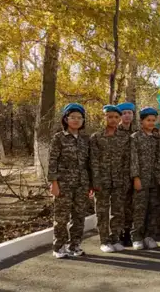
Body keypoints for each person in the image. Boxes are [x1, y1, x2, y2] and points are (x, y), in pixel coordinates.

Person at [48, 103, 92, 259]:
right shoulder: (58, 138)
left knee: (79, 216)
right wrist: (53, 183)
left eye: (79, 117)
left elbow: (89, 163)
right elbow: (52, 161)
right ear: (66, 119)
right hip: (63, 184)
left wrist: (91, 184)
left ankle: (74, 245)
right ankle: (59, 247)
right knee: (61, 217)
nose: (76, 120)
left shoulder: (85, 139)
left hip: (82, 184)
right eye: (72, 117)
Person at [90, 105, 130, 253]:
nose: (113, 120)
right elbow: (93, 161)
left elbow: (127, 160)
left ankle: (115, 238)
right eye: (110, 116)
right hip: (102, 180)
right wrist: (95, 181)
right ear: (104, 118)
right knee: (102, 211)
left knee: (118, 211)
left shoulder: (124, 137)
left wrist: (126, 180)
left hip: (119, 180)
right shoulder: (96, 137)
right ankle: (104, 240)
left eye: (116, 117)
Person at [130, 107, 160, 250]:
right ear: (141, 121)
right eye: (148, 120)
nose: (151, 123)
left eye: (153, 120)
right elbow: (133, 159)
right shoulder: (135, 137)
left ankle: (149, 236)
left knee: (153, 208)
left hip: (155, 179)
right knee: (139, 208)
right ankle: (137, 237)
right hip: (141, 179)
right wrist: (136, 177)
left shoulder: (157, 138)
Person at [116, 102, 138, 247]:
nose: (127, 115)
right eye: (124, 113)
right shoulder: (114, 132)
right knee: (119, 206)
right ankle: (118, 233)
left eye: (129, 113)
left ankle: (127, 232)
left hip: (134, 174)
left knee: (131, 206)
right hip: (119, 175)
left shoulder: (136, 132)